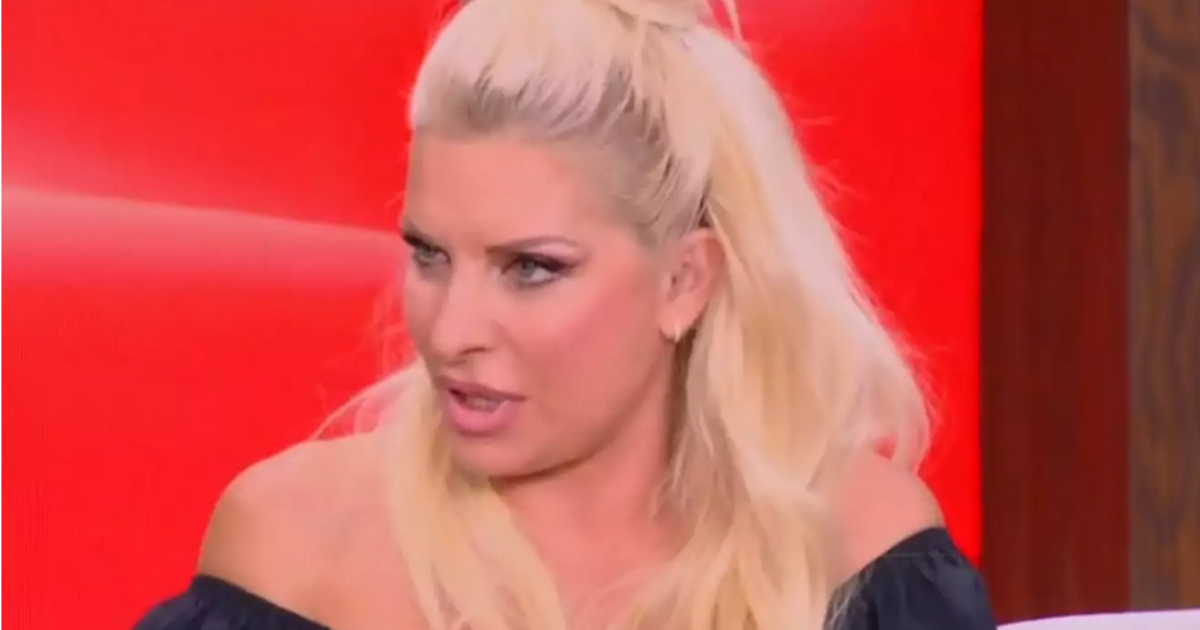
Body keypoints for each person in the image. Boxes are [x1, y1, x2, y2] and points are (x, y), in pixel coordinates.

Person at [135, 0, 997, 628]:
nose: (452, 331)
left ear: (684, 282)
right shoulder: (295, 551)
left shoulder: (862, 552)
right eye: (430, 255)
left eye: (531, 268)